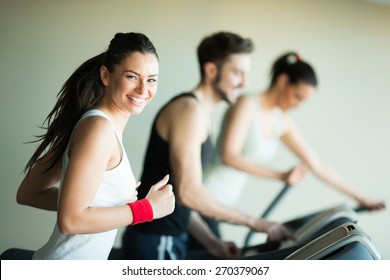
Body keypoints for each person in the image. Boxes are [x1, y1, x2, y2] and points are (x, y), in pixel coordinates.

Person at [121, 31, 293, 260]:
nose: (244, 83)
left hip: (172, 235)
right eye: (237, 73)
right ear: (211, 70)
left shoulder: (200, 114)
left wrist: (212, 243)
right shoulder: (188, 111)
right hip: (156, 238)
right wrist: (255, 222)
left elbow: (178, 196)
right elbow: (189, 192)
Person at [16, 32, 175, 260]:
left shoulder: (96, 124)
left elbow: (29, 193)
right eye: (132, 77)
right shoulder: (98, 130)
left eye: (151, 79)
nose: (143, 90)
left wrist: (111, 205)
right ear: (106, 75)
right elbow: (70, 220)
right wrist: (146, 210)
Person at [203, 51, 386, 229]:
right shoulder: (247, 104)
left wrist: (360, 197)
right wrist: (280, 176)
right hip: (204, 193)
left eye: (302, 102)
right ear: (283, 81)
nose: (297, 105)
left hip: (225, 202)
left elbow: (317, 164)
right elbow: (228, 156)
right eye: (297, 97)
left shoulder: (280, 120)